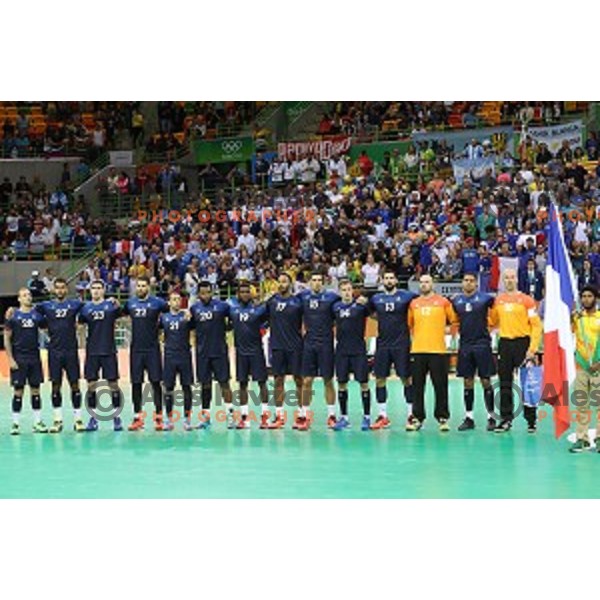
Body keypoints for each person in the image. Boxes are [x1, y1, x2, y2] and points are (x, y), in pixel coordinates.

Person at [490, 269, 542, 433]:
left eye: (512, 277)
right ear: (503, 281)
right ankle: (506, 419)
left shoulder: (526, 300)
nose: (509, 280)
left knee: (528, 384)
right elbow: (493, 321)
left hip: (523, 343)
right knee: (505, 382)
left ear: (517, 280)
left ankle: (531, 420)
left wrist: (532, 349)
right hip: (505, 343)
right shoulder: (498, 301)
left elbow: (536, 325)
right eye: (506, 278)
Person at [34, 278, 85, 433]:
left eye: (63, 288)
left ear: (66, 290)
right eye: (58, 288)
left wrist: (110, 301)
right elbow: (28, 309)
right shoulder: (46, 306)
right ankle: (58, 420)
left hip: (71, 351)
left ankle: (78, 420)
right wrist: (13, 311)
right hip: (54, 352)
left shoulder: (75, 304)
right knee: (55, 386)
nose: (60, 290)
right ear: (53, 290)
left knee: (74, 384)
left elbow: (93, 305)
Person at [368, 269, 417, 430]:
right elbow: (370, 313)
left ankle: (411, 414)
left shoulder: (407, 296)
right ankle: (383, 416)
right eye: (386, 278)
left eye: (391, 278)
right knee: (380, 379)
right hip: (383, 344)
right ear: (382, 281)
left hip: (401, 344)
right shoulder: (376, 298)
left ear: (396, 281)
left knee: (406, 378)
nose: (389, 280)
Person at [407, 274, 457, 432]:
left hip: (438, 351)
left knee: (440, 386)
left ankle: (442, 418)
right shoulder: (414, 304)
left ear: (433, 284)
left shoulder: (443, 302)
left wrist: (450, 332)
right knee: (417, 387)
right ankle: (417, 418)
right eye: (421, 282)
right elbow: (409, 324)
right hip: (418, 350)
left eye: (427, 282)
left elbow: (454, 320)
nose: (424, 284)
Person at [451, 273, 497, 432]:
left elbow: (496, 314)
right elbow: (454, 320)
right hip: (465, 345)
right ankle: (469, 417)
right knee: (467, 381)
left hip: (482, 344)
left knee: (486, 381)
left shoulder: (486, 299)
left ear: (476, 284)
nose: (469, 283)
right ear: (462, 283)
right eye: (466, 280)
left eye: (471, 281)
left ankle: (491, 416)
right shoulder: (456, 300)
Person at [123, 275, 169, 431]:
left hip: (152, 349)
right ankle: (137, 418)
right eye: (138, 286)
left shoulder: (158, 303)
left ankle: (159, 418)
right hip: (136, 349)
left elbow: (171, 312)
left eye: (143, 286)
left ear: (149, 287)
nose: (140, 288)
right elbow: (118, 313)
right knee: (136, 384)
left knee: (156, 383)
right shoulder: (130, 303)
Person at [297, 271, 341, 431]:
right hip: (309, 344)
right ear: (309, 282)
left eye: (319, 280)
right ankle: (304, 415)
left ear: (323, 283)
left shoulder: (332, 298)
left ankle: (331, 416)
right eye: (313, 280)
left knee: (328, 380)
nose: (316, 283)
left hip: (326, 344)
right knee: (307, 381)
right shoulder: (302, 297)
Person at [79, 281, 124, 432]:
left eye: (99, 288)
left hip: (109, 351)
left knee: (113, 386)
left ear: (104, 290)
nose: (96, 291)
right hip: (92, 352)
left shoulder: (111, 306)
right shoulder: (85, 308)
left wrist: (117, 302)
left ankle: (116, 417)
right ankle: (93, 418)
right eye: (94, 288)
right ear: (90, 291)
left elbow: (122, 314)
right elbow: (80, 326)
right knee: (91, 386)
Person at [4, 288, 48, 435]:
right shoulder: (13, 316)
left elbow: (47, 328)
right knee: (18, 391)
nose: (28, 297)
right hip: (19, 359)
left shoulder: (37, 316)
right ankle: (15, 424)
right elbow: (6, 338)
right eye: (24, 295)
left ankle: (37, 422)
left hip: (34, 358)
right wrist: (10, 358)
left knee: (36, 390)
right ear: (19, 299)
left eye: (29, 295)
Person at [190, 281, 234, 428]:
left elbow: (234, 319)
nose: (205, 295)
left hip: (219, 352)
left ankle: (230, 415)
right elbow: (190, 327)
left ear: (212, 292)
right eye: (202, 293)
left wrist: (227, 328)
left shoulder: (222, 306)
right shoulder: (194, 309)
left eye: (208, 292)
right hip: (202, 353)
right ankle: (205, 417)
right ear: (198, 294)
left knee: (224, 383)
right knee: (205, 385)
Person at [265, 272, 303, 429]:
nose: (281, 284)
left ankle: (302, 414)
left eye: (284, 282)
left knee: (298, 380)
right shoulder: (271, 302)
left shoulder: (298, 302)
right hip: (278, 347)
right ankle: (279, 415)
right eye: (279, 282)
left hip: (295, 346)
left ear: (290, 283)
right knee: (278, 380)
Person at [228, 282, 269, 429]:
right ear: (238, 294)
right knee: (242, 384)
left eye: (247, 291)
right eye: (242, 291)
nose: (245, 294)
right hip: (241, 353)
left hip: (256, 351)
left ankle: (265, 417)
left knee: (262, 383)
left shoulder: (259, 309)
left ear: (251, 293)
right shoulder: (232, 310)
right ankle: (244, 418)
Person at [332, 280, 371, 431]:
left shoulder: (361, 307)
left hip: (358, 350)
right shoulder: (335, 307)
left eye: (349, 289)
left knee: (364, 383)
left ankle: (367, 417)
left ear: (353, 291)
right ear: (340, 292)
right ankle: (344, 418)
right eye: (344, 290)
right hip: (341, 350)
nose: (347, 292)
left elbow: (373, 311)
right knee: (342, 384)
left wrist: (366, 302)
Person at [569, 286, 600, 453]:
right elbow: (566, 333)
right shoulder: (577, 318)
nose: (586, 299)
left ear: (596, 298)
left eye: (590, 296)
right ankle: (582, 438)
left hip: (598, 367)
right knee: (582, 403)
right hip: (581, 366)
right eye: (584, 296)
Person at [159, 291, 194, 431]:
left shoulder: (186, 316)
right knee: (168, 388)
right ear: (169, 302)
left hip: (185, 356)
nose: (176, 302)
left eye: (178, 299)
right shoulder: (164, 318)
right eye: (173, 299)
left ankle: (187, 419)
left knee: (187, 388)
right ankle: (169, 419)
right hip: (169, 357)